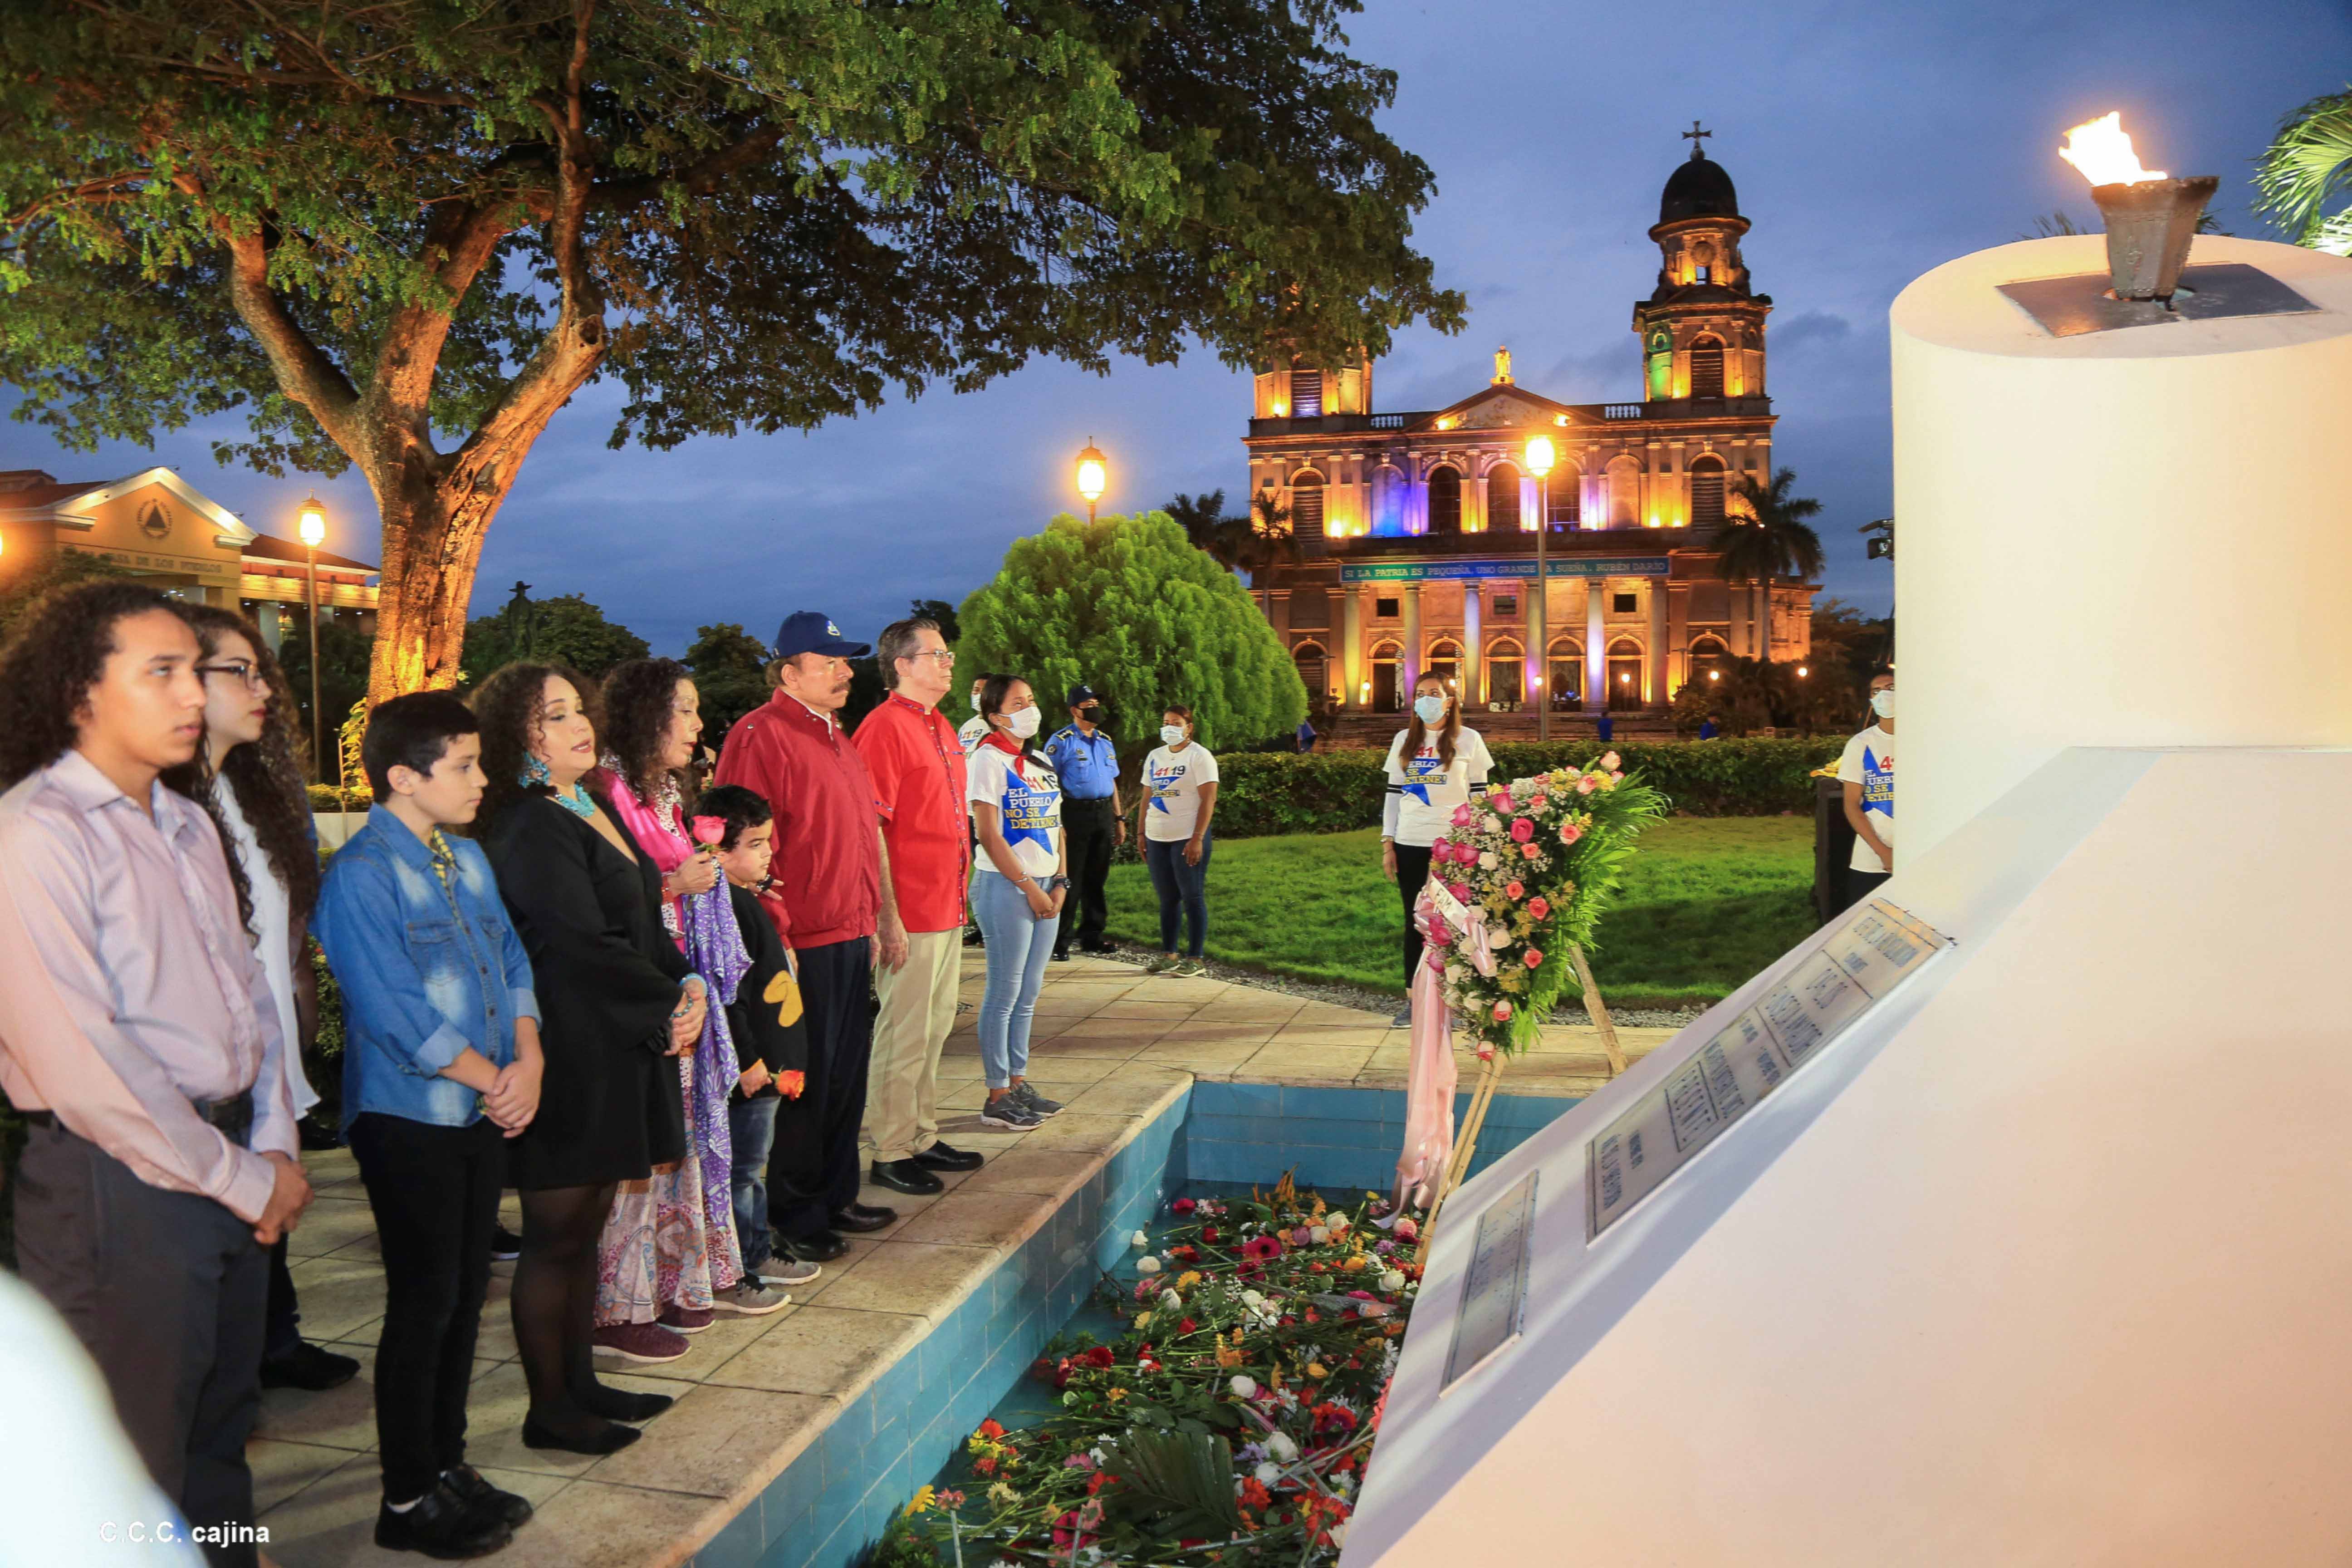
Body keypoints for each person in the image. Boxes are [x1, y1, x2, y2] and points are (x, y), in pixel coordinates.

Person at [0, 581, 310, 1568]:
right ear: (81, 690)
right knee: (132, 1474)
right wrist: (247, 1178)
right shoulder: (36, 833)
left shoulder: (184, 823)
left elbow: (249, 993)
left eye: (195, 670)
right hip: (118, 1186)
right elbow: (84, 1061)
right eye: (162, 671)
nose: (191, 694)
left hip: (226, 1163)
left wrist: (273, 1139)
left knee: (220, 1438)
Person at [313, 691, 542, 1556]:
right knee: (423, 1302)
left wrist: (530, 1058)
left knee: (462, 1297)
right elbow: (391, 1010)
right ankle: (405, 1498)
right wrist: (497, 1080)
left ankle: (447, 1466)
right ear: (403, 778)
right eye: (464, 766)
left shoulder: (466, 856)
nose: (482, 780)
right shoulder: (362, 874)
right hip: (409, 1117)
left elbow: (512, 959)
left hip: (482, 1105)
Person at [474, 663, 705, 1455]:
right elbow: (578, 941)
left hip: (615, 1039)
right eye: (554, 715)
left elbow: (639, 918)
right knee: (556, 1236)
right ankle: (551, 1409)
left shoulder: (590, 801)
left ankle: (580, 1384)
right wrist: (664, 999)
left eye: (579, 709)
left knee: (587, 1230)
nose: (580, 724)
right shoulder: (529, 823)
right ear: (518, 735)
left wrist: (685, 979)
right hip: (568, 1049)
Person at [172, 605, 360, 1396]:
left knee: (268, 1209)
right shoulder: (160, 804)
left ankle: (272, 1340)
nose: (263, 689)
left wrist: (296, 1022)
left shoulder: (251, 794)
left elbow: (273, 939)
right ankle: (241, 1358)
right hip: (202, 1067)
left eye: (262, 672)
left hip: (266, 1042)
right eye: (239, 671)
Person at [591, 659, 783, 1357]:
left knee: (682, 1147)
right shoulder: (605, 792)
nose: (699, 724)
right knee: (639, 1157)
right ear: (647, 714)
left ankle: (676, 1283)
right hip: (639, 992)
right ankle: (619, 1305)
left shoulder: (664, 791)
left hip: (681, 988)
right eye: (688, 709)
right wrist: (674, 884)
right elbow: (603, 898)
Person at [713, 612, 897, 1265]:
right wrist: (775, 935)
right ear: (789, 673)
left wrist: (873, 918)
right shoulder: (760, 735)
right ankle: (795, 1212)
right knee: (804, 1080)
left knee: (845, 1077)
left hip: (848, 932)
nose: (846, 672)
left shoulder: (837, 737)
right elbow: (740, 845)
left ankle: (836, 1195)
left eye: (846, 661)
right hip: (800, 940)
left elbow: (857, 837)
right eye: (829, 663)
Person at [855, 617, 985, 1196]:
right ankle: (889, 1149)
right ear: (903, 665)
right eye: (936, 654)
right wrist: (888, 917)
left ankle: (921, 1135)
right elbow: (872, 828)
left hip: (947, 905)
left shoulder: (940, 724)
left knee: (934, 1028)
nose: (948, 662)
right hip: (910, 910)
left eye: (947, 654)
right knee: (903, 1032)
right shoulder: (884, 728)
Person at [697, 784, 821, 1292]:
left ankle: (757, 1250)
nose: (768, 852)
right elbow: (729, 996)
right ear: (719, 851)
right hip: (756, 1068)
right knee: (742, 1171)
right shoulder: (725, 907)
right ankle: (743, 1263)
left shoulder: (746, 899)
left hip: (773, 1064)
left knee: (752, 1167)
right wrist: (748, 1061)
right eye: (755, 843)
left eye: (767, 841)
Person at [967, 676, 1069, 1127]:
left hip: (1047, 884)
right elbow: (989, 834)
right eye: (1017, 703)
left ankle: (1018, 1081)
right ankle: (997, 1094)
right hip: (1007, 887)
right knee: (1004, 993)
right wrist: (1031, 888)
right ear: (995, 715)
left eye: (1032, 700)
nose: (1030, 709)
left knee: (1028, 992)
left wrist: (1061, 882)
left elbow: (1057, 827)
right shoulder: (986, 759)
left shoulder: (1041, 760)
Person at [1381, 673, 1494, 1024]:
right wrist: (1388, 843)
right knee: (1415, 922)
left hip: (1454, 846)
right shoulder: (1404, 740)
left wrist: (1479, 840)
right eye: (1420, 694)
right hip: (1411, 843)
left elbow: (1480, 795)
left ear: (1449, 700)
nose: (1426, 699)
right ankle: (1414, 1002)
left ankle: (1459, 1000)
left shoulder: (1469, 739)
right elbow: (1393, 795)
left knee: (1457, 921)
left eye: (1434, 693)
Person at [1137, 706, 1219, 976]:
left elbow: (1209, 799)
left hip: (1187, 837)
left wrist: (1197, 838)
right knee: (1167, 898)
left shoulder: (1200, 756)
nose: (1169, 727)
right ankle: (1169, 955)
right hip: (1156, 837)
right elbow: (1147, 796)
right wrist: (1141, 834)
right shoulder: (1155, 756)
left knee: (1192, 896)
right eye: (1165, 722)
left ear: (1189, 728)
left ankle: (1195, 958)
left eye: (1176, 723)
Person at [1044, 683, 1124, 960]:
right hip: (1074, 814)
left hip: (1103, 813)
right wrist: (1058, 823)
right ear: (1074, 710)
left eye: (1096, 705)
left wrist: (1119, 818)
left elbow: (1112, 781)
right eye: (1088, 705)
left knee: (1097, 878)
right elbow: (1049, 783)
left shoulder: (1105, 741)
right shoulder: (1061, 741)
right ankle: (1060, 941)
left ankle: (1092, 936)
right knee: (1072, 878)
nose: (1094, 710)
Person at [1837, 670, 1897, 912]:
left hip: (1919, 857)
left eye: (1891, 688)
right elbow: (1851, 805)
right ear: (1871, 700)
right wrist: (1884, 853)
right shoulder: (1860, 744)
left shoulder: (1924, 741)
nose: (1884, 695)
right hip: (1872, 862)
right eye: (1876, 691)